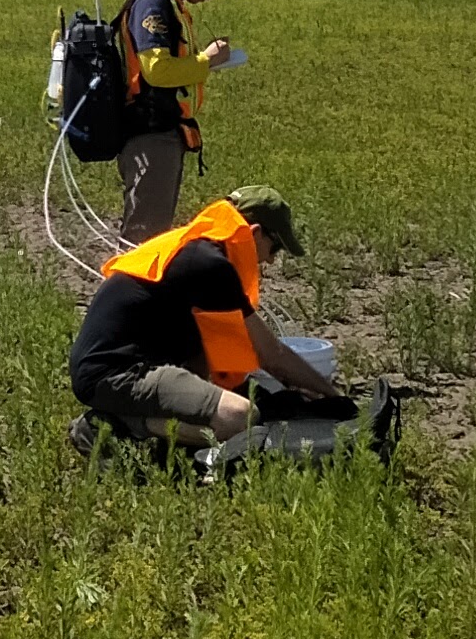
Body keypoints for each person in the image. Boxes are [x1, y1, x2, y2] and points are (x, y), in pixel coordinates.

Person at [68, 185, 343, 453]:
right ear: (256, 233)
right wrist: (332, 395)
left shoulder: (195, 248)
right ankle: (114, 425)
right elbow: (273, 356)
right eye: (275, 249)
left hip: (120, 365)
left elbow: (218, 353)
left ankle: (150, 423)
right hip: (116, 372)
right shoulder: (210, 265)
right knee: (240, 418)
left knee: (220, 394)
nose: (270, 261)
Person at [112, 0, 250, 241]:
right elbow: (156, 70)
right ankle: (125, 290)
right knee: (143, 241)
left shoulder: (167, 0)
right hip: (151, 136)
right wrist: (208, 61)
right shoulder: (153, 1)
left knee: (151, 236)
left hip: (161, 134)